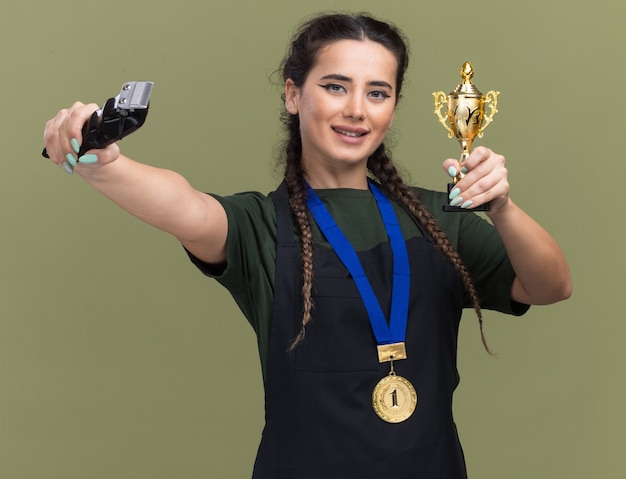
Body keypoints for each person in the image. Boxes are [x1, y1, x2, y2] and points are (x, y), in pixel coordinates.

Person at [42, 12, 572, 479]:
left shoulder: (439, 217)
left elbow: (550, 286)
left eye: (377, 92)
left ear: (394, 106)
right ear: (294, 94)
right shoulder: (258, 226)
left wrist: (501, 206)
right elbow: (183, 203)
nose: (357, 110)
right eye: (336, 86)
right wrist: (105, 164)